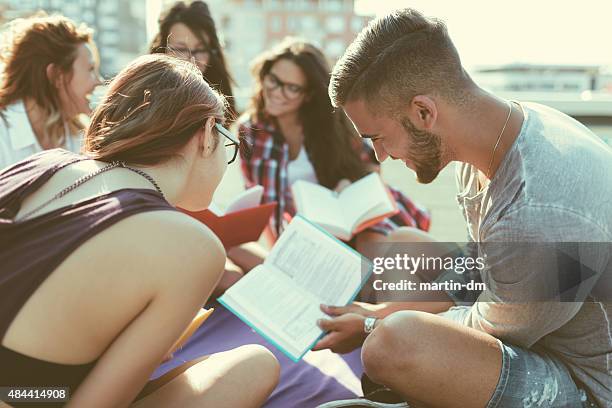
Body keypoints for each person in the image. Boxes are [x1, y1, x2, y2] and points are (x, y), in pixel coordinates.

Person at [315, 8, 611, 408]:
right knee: (399, 250)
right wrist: (382, 308)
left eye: (379, 137)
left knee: (390, 345)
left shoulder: (540, 212)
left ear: (424, 112)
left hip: (585, 385)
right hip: (534, 329)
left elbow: (491, 334)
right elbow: (479, 264)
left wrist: (373, 325)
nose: (379, 155)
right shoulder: (490, 139)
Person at [0, 54, 279, 407]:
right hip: (31, 398)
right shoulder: (194, 246)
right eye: (228, 142)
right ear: (207, 134)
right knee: (253, 365)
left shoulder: (45, 162)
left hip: (20, 390)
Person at [238, 38, 430, 255]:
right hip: (306, 236)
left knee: (374, 252)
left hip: (355, 220)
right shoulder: (251, 131)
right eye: (273, 80)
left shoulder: (333, 125)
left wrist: (346, 186)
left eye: (291, 88)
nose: (276, 92)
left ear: (308, 95)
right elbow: (266, 205)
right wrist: (278, 251)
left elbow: (371, 169)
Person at [0, 14, 103, 170]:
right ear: (56, 75)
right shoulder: (3, 136)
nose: (99, 81)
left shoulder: (83, 140)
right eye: (90, 70)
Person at [149, 0, 236, 122]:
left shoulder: (222, 107)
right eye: (181, 49)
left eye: (200, 49)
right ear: (162, 50)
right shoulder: (144, 103)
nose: (192, 60)